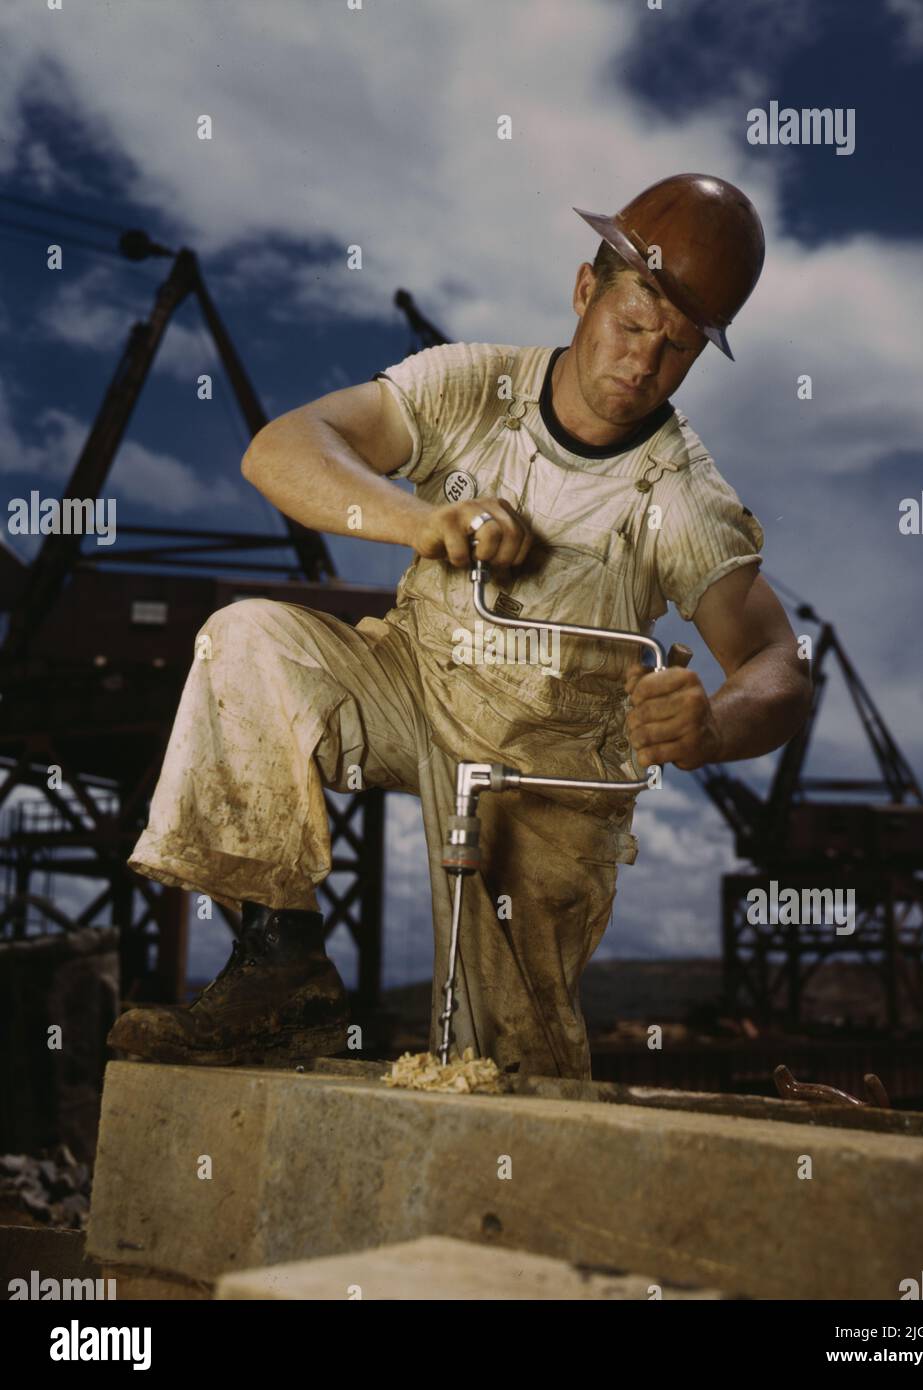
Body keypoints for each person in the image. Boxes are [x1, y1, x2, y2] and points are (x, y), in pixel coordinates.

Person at [107, 173, 812, 1079]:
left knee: (507, 1065)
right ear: (584, 289)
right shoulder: (469, 388)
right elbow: (278, 448)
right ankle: (281, 977)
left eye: (673, 350)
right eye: (632, 326)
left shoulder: (680, 497)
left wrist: (714, 724)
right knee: (246, 640)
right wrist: (417, 520)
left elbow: (775, 662)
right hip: (412, 683)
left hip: (548, 774)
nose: (641, 364)